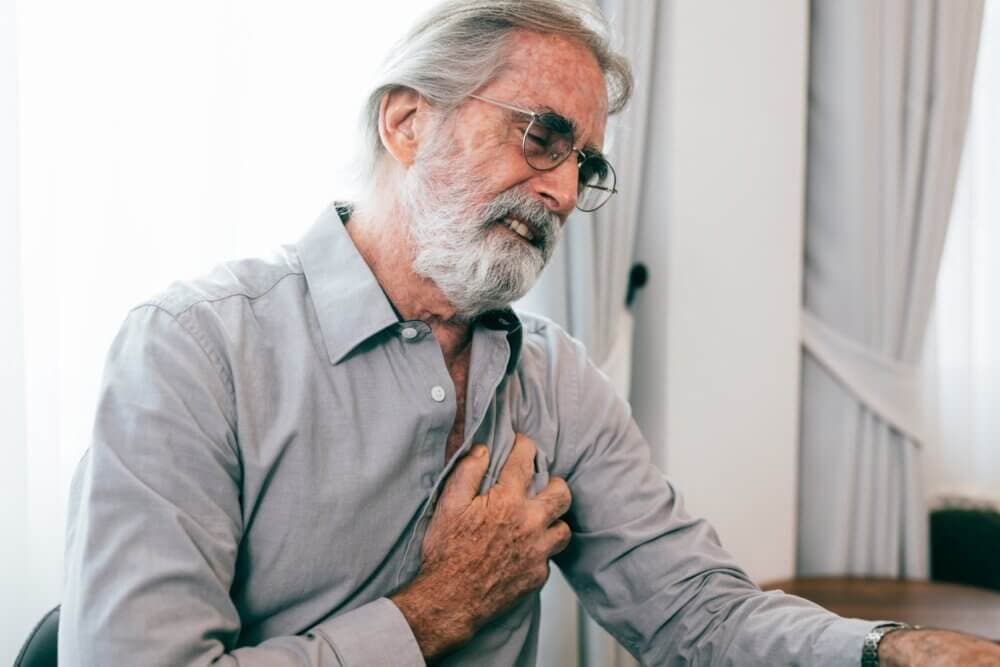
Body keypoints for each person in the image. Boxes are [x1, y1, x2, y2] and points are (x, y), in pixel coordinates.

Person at [59, 0, 1000, 665]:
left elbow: (693, 610)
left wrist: (891, 649)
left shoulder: (555, 378)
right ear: (407, 122)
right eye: (540, 136)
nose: (560, 190)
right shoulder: (191, 351)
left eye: (583, 165)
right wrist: (432, 611)